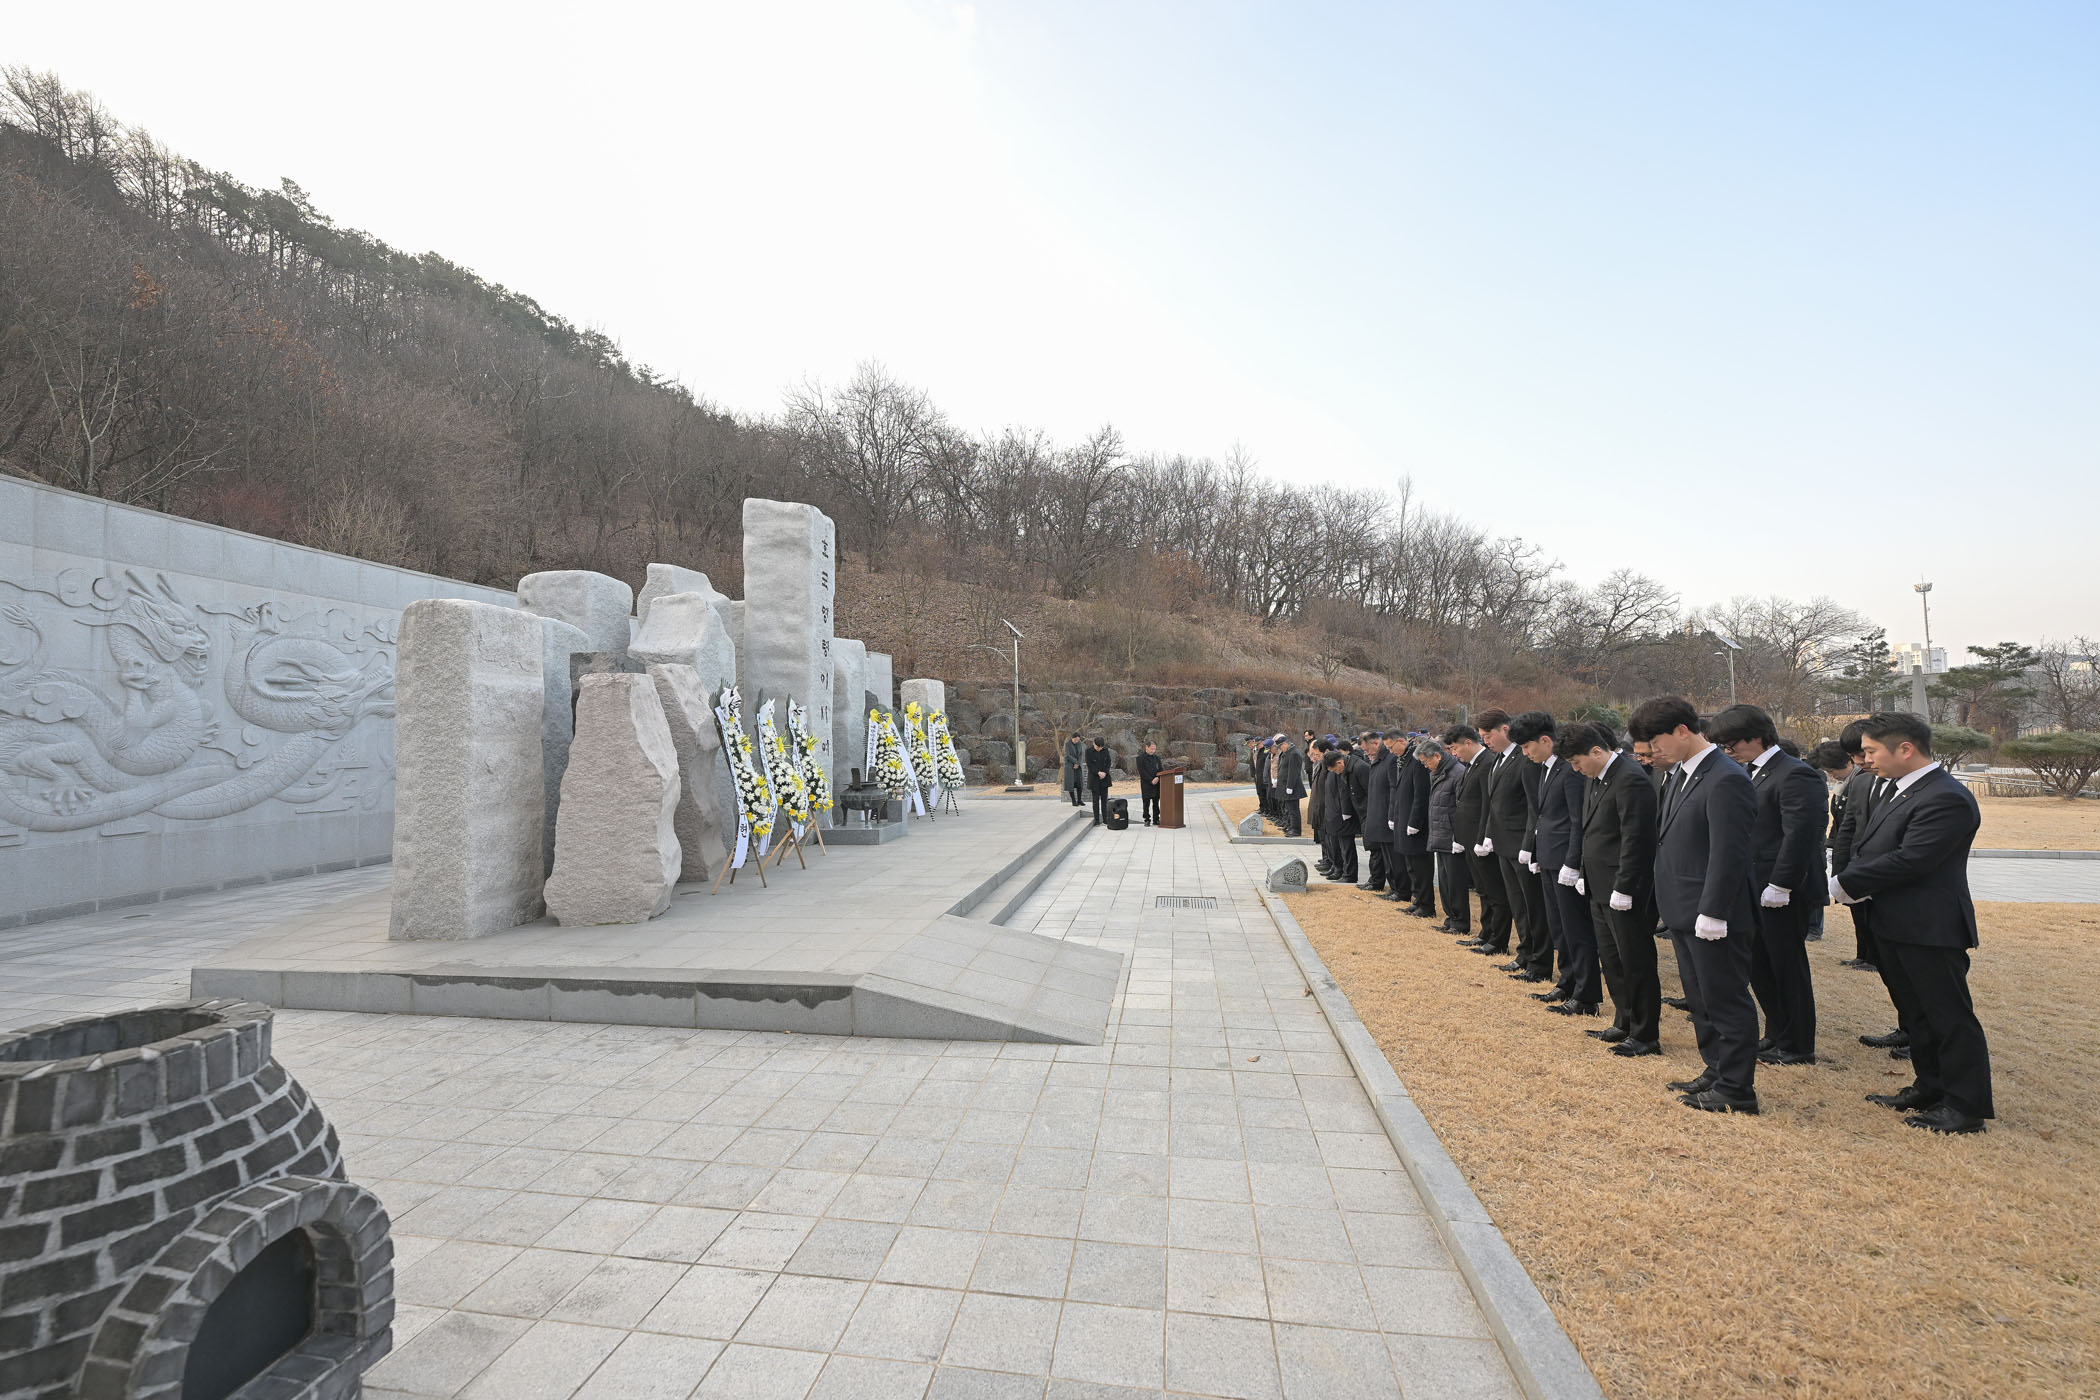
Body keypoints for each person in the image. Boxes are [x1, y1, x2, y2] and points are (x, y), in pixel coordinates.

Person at [1833, 713, 1991, 1134]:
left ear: (1905, 749)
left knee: (1948, 1016)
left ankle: (1965, 1106)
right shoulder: (1899, 788)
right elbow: (1872, 846)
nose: (1865, 760)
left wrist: (1843, 884)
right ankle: (1931, 1086)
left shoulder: (1946, 796)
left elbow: (1912, 859)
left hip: (1929, 926)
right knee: (1916, 1014)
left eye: (1871, 751)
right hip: (1893, 921)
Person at [1630, 696, 1760, 1114]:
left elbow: (1729, 852)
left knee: (1725, 998)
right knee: (1700, 998)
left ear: (1683, 731)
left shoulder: (1725, 778)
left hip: (1712, 912)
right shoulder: (1683, 774)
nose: (1653, 751)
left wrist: (1715, 911)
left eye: (1657, 741)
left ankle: (1737, 1088)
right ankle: (1716, 1068)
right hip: (1683, 907)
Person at [1709, 704, 1826, 1067]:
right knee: (1760, 966)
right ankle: (1776, 1031)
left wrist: (1782, 884)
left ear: (1755, 738)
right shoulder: (1750, 772)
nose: (1728, 751)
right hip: (1753, 886)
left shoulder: (1795, 774)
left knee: (1786, 967)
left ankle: (1797, 1042)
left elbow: (1800, 835)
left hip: (1781, 891)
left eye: (1731, 744)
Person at [1563, 722, 1662, 1057]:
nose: (1576, 769)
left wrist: (1626, 885)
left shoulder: (1630, 779)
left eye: (1577, 761)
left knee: (1635, 960)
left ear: (1596, 751)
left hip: (1623, 888)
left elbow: (1636, 838)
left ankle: (1645, 1033)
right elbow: (1591, 831)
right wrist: (1582, 871)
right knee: (1612, 959)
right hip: (1598, 884)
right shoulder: (1596, 778)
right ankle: (1624, 1020)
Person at [1526, 714, 1601, 1015]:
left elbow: (1576, 820)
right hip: (1549, 857)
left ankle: (1585, 994)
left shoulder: (1569, 770)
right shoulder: (1547, 769)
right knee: (1559, 928)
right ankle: (1567, 981)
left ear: (1546, 740)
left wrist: (1573, 863)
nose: (1525, 753)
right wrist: (1536, 853)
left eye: (1528, 746)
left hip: (1564, 861)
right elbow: (1543, 816)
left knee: (1576, 930)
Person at [1493, 712, 1552, 983]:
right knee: (1519, 905)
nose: (1526, 752)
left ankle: (1538, 961)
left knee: (1534, 908)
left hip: (1524, 842)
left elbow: (1533, 807)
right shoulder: (1509, 758)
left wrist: (1528, 844)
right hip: (1508, 841)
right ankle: (1525, 953)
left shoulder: (1529, 762)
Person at [1449, 721, 1512, 954]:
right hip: (1470, 837)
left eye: (1456, 748)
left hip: (1481, 839)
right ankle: (1486, 933)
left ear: (1468, 743)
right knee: (1483, 890)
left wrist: (1484, 837)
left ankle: (1497, 939)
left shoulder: (1486, 762)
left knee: (1495, 892)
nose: (1454, 754)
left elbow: (1487, 804)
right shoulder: (1474, 764)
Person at [1421, 738, 1471, 933]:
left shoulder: (1457, 773)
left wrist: (1459, 837)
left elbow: (1462, 808)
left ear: (1437, 756)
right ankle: (1451, 918)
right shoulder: (1438, 773)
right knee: (1444, 881)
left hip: (1452, 837)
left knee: (1455, 882)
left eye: (1427, 762)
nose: (1426, 766)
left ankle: (1460, 922)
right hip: (1441, 834)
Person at [1393, 734, 1436, 919]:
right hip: (1405, 819)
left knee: (1421, 867)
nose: (1390, 751)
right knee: (1411, 865)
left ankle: (1426, 905)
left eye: (1391, 747)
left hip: (1416, 824)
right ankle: (1418, 900)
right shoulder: (1405, 759)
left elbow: (1421, 793)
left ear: (1401, 741)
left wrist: (1415, 822)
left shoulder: (1417, 760)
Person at [1359, 732, 1397, 894]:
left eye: (1367, 749)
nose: (1366, 753)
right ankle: (1389, 886)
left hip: (1385, 815)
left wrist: (1391, 815)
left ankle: (1397, 888)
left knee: (1392, 858)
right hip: (1377, 815)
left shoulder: (1389, 759)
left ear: (1375, 743)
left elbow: (1393, 789)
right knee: (1382, 855)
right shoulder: (1376, 761)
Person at [1322, 747, 1361, 882]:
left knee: (1346, 847)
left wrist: (1346, 811)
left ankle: (1349, 874)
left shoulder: (1342, 771)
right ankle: (1340, 869)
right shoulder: (1333, 770)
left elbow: (1343, 791)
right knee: (1338, 845)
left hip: (1342, 814)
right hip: (1334, 812)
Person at [1271, 734, 1307, 837]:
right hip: (1285, 786)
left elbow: (1293, 772)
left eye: (1280, 746)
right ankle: (1290, 826)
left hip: (1292, 787)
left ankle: (1296, 830)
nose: (1280, 749)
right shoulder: (1288, 752)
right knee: (1289, 809)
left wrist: (1290, 786)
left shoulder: (1294, 753)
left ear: (1285, 744)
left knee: (1293, 810)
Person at [1085, 737, 1114, 826]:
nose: (1099, 749)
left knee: (1104, 800)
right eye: (1098, 747)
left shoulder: (1105, 750)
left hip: (1104, 778)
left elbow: (1108, 762)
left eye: (1101, 747)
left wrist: (1105, 772)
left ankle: (1105, 819)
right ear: (1094, 743)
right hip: (1094, 779)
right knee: (1095, 801)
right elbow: (1089, 765)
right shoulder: (1088, 751)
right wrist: (1098, 773)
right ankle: (1097, 820)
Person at [1136, 741, 1164, 826]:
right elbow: (1142, 771)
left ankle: (1156, 819)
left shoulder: (1157, 758)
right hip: (1146, 783)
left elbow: (1161, 769)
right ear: (1146, 747)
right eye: (1151, 749)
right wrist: (1151, 780)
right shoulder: (1140, 758)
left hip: (1157, 783)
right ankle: (1147, 819)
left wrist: (1158, 777)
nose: (1153, 751)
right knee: (1146, 802)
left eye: (1154, 749)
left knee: (1156, 802)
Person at [1062, 733, 1085, 807]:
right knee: (1070, 783)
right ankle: (1073, 800)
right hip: (1070, 766)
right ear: (1072, 738)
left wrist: (1078, 763)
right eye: (1075, 740)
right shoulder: (1067, 744)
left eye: (1078, 740)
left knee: (1079, 783)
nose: (1076, 741)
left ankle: (1079, 800)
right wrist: (1075, 762)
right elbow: (1067, 755)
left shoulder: (1079, 743)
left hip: (1078, 766)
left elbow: (1081, 754)